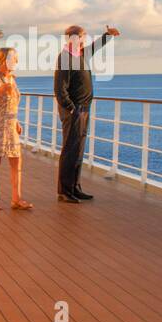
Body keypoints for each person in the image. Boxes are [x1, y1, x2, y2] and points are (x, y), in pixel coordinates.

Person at [55, 23, 120, 202]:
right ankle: (64, 191)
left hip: (83, 110)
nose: (85, 40)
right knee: (70, 150)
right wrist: (71, 108)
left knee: (79, 150)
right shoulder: (65, 58)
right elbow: (60, 89)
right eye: (83, 37)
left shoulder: (81, 54)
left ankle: (75, 187)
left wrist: (108, 35)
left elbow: (95, 47)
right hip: (74, 111)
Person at [0, 47, 32, 211]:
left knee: (16, 162)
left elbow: (13, 102)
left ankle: (16, 199)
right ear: (3, 59)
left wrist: (16, 121)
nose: (15, 61)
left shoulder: (12, 78)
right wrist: (0, 90)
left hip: (10, 126)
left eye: (16, 58)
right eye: (13, 58)